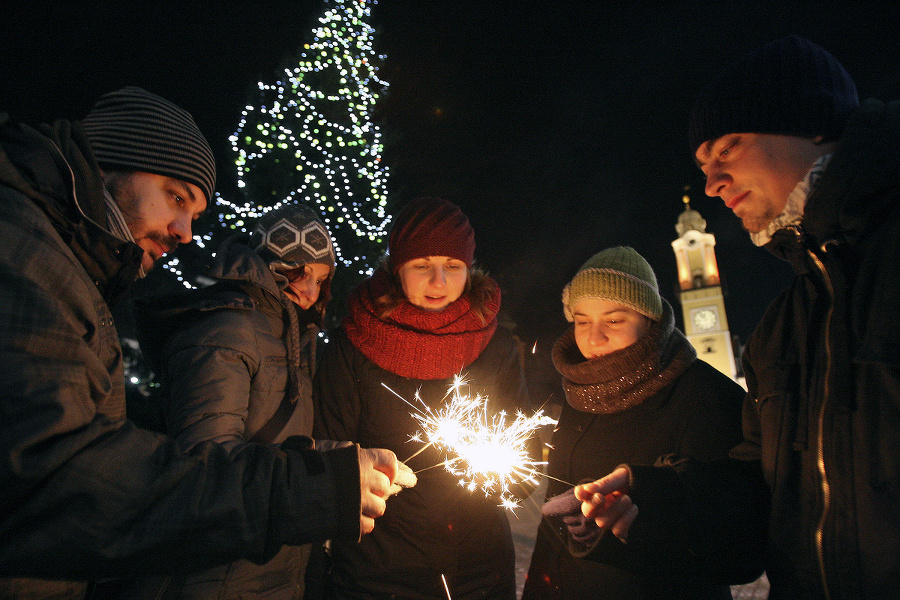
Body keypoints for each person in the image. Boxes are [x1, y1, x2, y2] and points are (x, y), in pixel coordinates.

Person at [0, 87, 397, 600]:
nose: (186, 232)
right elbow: (59, 481)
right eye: (176, 196)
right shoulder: (25, 256)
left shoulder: (65, 266)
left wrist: (331, 462)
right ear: (113, 161)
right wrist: (314, 486)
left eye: (195, 211)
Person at [577, 35, 900, 599]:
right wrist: (657, 503)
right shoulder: (783, 331)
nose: (712, 182)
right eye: (703, 164)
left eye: (728, 149)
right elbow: (763, 506)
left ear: (812, 126)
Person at [125, 203, 350, 600]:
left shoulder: (296, 339)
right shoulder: (225, 331)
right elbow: (204, 465)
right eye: (298, 271)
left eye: (321, 278)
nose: (309, 289)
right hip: (213, 577)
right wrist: (327, 468)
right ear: (267, 266)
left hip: (271, 572)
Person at [312, 196, 532, 600]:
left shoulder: (495, 346)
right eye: (421, 266)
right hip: (376, 576)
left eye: (452, 267)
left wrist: (508, 470)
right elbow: (325, 454)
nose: (439, 282)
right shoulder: (354, 343)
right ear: (397, 271)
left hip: (478, 575)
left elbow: (524, 463)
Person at [520, 247, 748, 600]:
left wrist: (650, 511)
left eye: (614, 320)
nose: (594, 339)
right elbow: (552, 532)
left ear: (650, 320)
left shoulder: (707, 397)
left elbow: (739, 550)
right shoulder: (582, 393)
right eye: (582, 321)